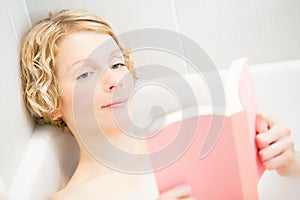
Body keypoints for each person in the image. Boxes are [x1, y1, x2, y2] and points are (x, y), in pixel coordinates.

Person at [20, 9, 299, 200]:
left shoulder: (186, 133)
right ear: (51, 100)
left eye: (117, 64)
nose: (114, 80)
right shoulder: (72, 198)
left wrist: (287, 163)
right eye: (85, 74)